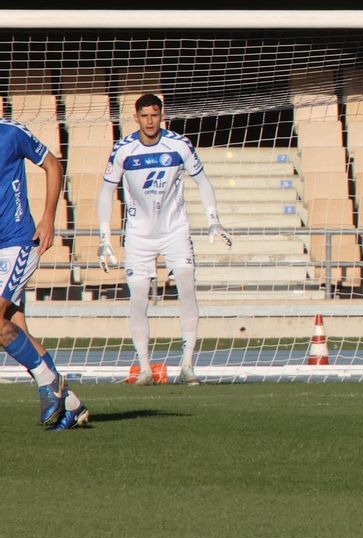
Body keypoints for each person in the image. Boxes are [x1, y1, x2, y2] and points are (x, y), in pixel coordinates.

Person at [98, 94, 232, 387]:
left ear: (162, 116)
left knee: (187, 290)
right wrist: (105, 236)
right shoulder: (123, 149)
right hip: (138, 235)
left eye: (154, 115)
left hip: (175, 230)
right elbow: (107, 190)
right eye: (144, 116)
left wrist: (213, 219)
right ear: (136, 118)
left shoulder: (179, 145)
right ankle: (145, 368)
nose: (149, 121)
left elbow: (203, 180)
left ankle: (187, 366)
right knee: (138, 300)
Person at [0, 116, 86, 430]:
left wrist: (48, 218)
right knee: (13, 329)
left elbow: (53, 164)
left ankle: (48, 385)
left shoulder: (11, 133)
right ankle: (71, 403)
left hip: (18, 242)